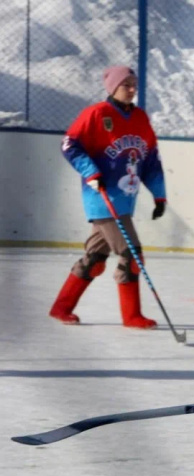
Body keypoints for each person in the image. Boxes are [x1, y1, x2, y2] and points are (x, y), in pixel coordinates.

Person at [49, 65, 167, 328]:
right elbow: (69, 145)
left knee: (94, 260)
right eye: (127, 84)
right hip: (102, 198)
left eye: (134, 84)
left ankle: (61, 307)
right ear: (113, 87)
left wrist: (159, 195)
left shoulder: (140, 118)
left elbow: (150, 159)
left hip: (125, 200)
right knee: (132, 256)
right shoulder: (96, 114)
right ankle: (132, 315)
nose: (132, 89)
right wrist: (91, 173)